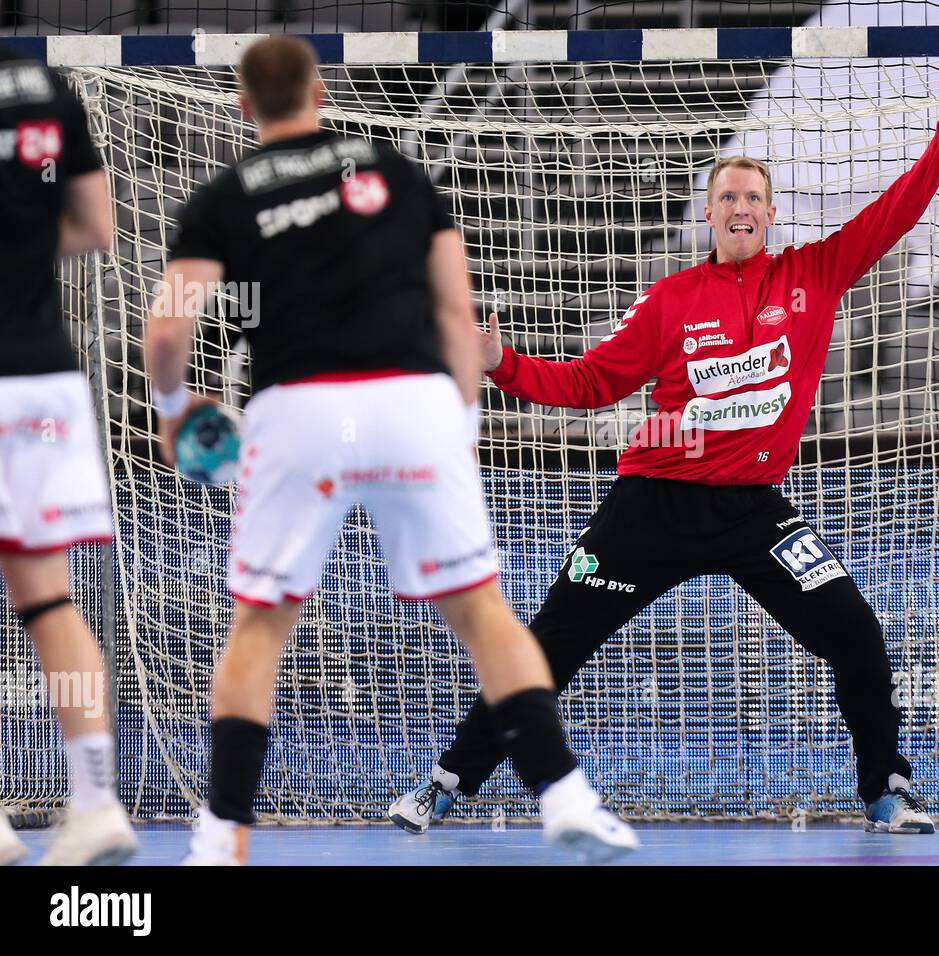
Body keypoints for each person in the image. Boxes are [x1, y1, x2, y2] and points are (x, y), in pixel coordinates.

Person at [389, 83, 939, 837]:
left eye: (753, 197)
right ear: (709, 212)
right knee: (547, 646)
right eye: (727, 195)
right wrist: (503, 363)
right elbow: (590, 382)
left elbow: (896, 212)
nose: (740, 207)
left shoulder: (815, 275)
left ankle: (886, 790)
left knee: (855, 633)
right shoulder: (670, 300)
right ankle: (444, 785)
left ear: (769, 212)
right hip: (652, 504)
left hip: (755, 511)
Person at [145, 35, 637, 865]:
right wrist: (465, 423)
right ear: (321, 91)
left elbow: (168, 328)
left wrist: (170, 407)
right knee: (482, 612)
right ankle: (567, 798)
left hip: (295, 412)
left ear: (242, 105)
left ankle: (223, 834)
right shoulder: (392, 167)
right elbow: (455, 306)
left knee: (260, 628)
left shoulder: (221, 196)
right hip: (411, 405)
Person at [0, 43, 139, 865]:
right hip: (43, 381)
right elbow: (97, 228)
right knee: (50, 602)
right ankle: (95, 806)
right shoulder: (43, 88)